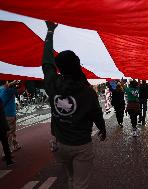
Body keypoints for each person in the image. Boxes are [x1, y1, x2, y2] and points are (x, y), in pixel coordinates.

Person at [42, 21, 106, 189]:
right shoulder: (87, 91)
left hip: (61, 144)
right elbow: (96, 114)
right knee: (81, 184)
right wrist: (103, 128)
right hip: (81, 145)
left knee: (71, 179)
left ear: (60, 68)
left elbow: (47, 63)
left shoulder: (52, 84)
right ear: (77, 65)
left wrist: (50, 32)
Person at [0, 80, 24, 152]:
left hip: (3, 114)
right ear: (6, 82)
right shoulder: (9, 90)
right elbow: (21, 90)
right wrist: (22, 82)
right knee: (9, 132)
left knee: (12, 131)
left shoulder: (1, 89)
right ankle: (8, 150)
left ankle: (15, 144)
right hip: (10, 114)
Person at [0, 98, 14, 166]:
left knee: (5, 143)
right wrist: (6, 127)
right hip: (1, 126)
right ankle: (9, 160)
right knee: (5, 143)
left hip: (1, 125)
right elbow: (2, 115)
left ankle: (8, 159)